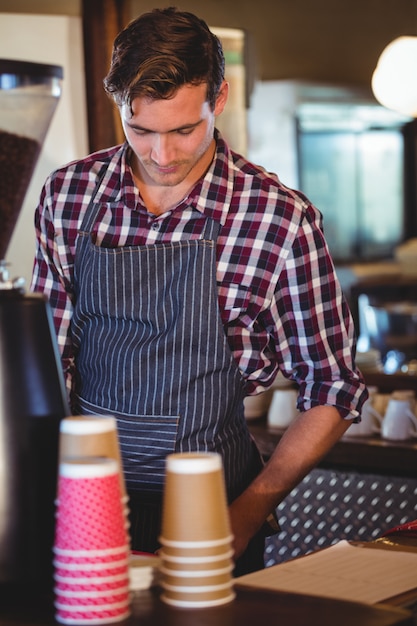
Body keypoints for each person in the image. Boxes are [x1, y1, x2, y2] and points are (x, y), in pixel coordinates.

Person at [31, 6, 368, 576]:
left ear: (219, 99)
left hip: (218, 512)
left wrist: (250, 511)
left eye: (184, 129)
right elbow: (45, 362)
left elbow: (331, 387)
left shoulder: (279, 220)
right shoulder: (69, 196)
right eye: (140, 130)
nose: (162, 156)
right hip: (84, 510)